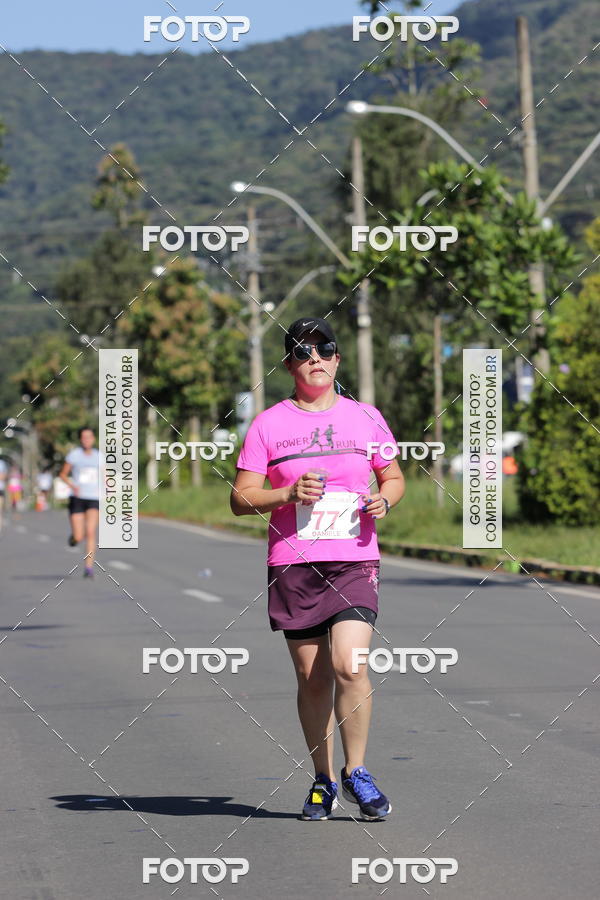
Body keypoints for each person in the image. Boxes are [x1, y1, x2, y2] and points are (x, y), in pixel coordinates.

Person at [230, 316, 405, 821]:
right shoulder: (268, 424)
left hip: (353, 559)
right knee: (312, 677)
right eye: (303, 351)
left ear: (337, 359)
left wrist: (384, 502)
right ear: (289, 364)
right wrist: (285, 493)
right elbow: (241, 498)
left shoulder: (366, 417)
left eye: (324, 348)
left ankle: (357, 771)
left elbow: (392, 477)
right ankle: (323, 779)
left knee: (351, 663)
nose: (315, 358)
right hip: (294, 562)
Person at [59, 426, 102, 578]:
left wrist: (108, 490)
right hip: (77, 497)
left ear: (94, 439)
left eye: (89, 437)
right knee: (79, 536)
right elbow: (63, 474)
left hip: (94, 498)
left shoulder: (99, 456)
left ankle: (89, 568)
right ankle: (74, 538)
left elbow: (105, 476)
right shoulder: (74, 455)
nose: (87, 440)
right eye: (84, 437)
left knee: (90, 532)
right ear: (80, 439)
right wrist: (72, 485)